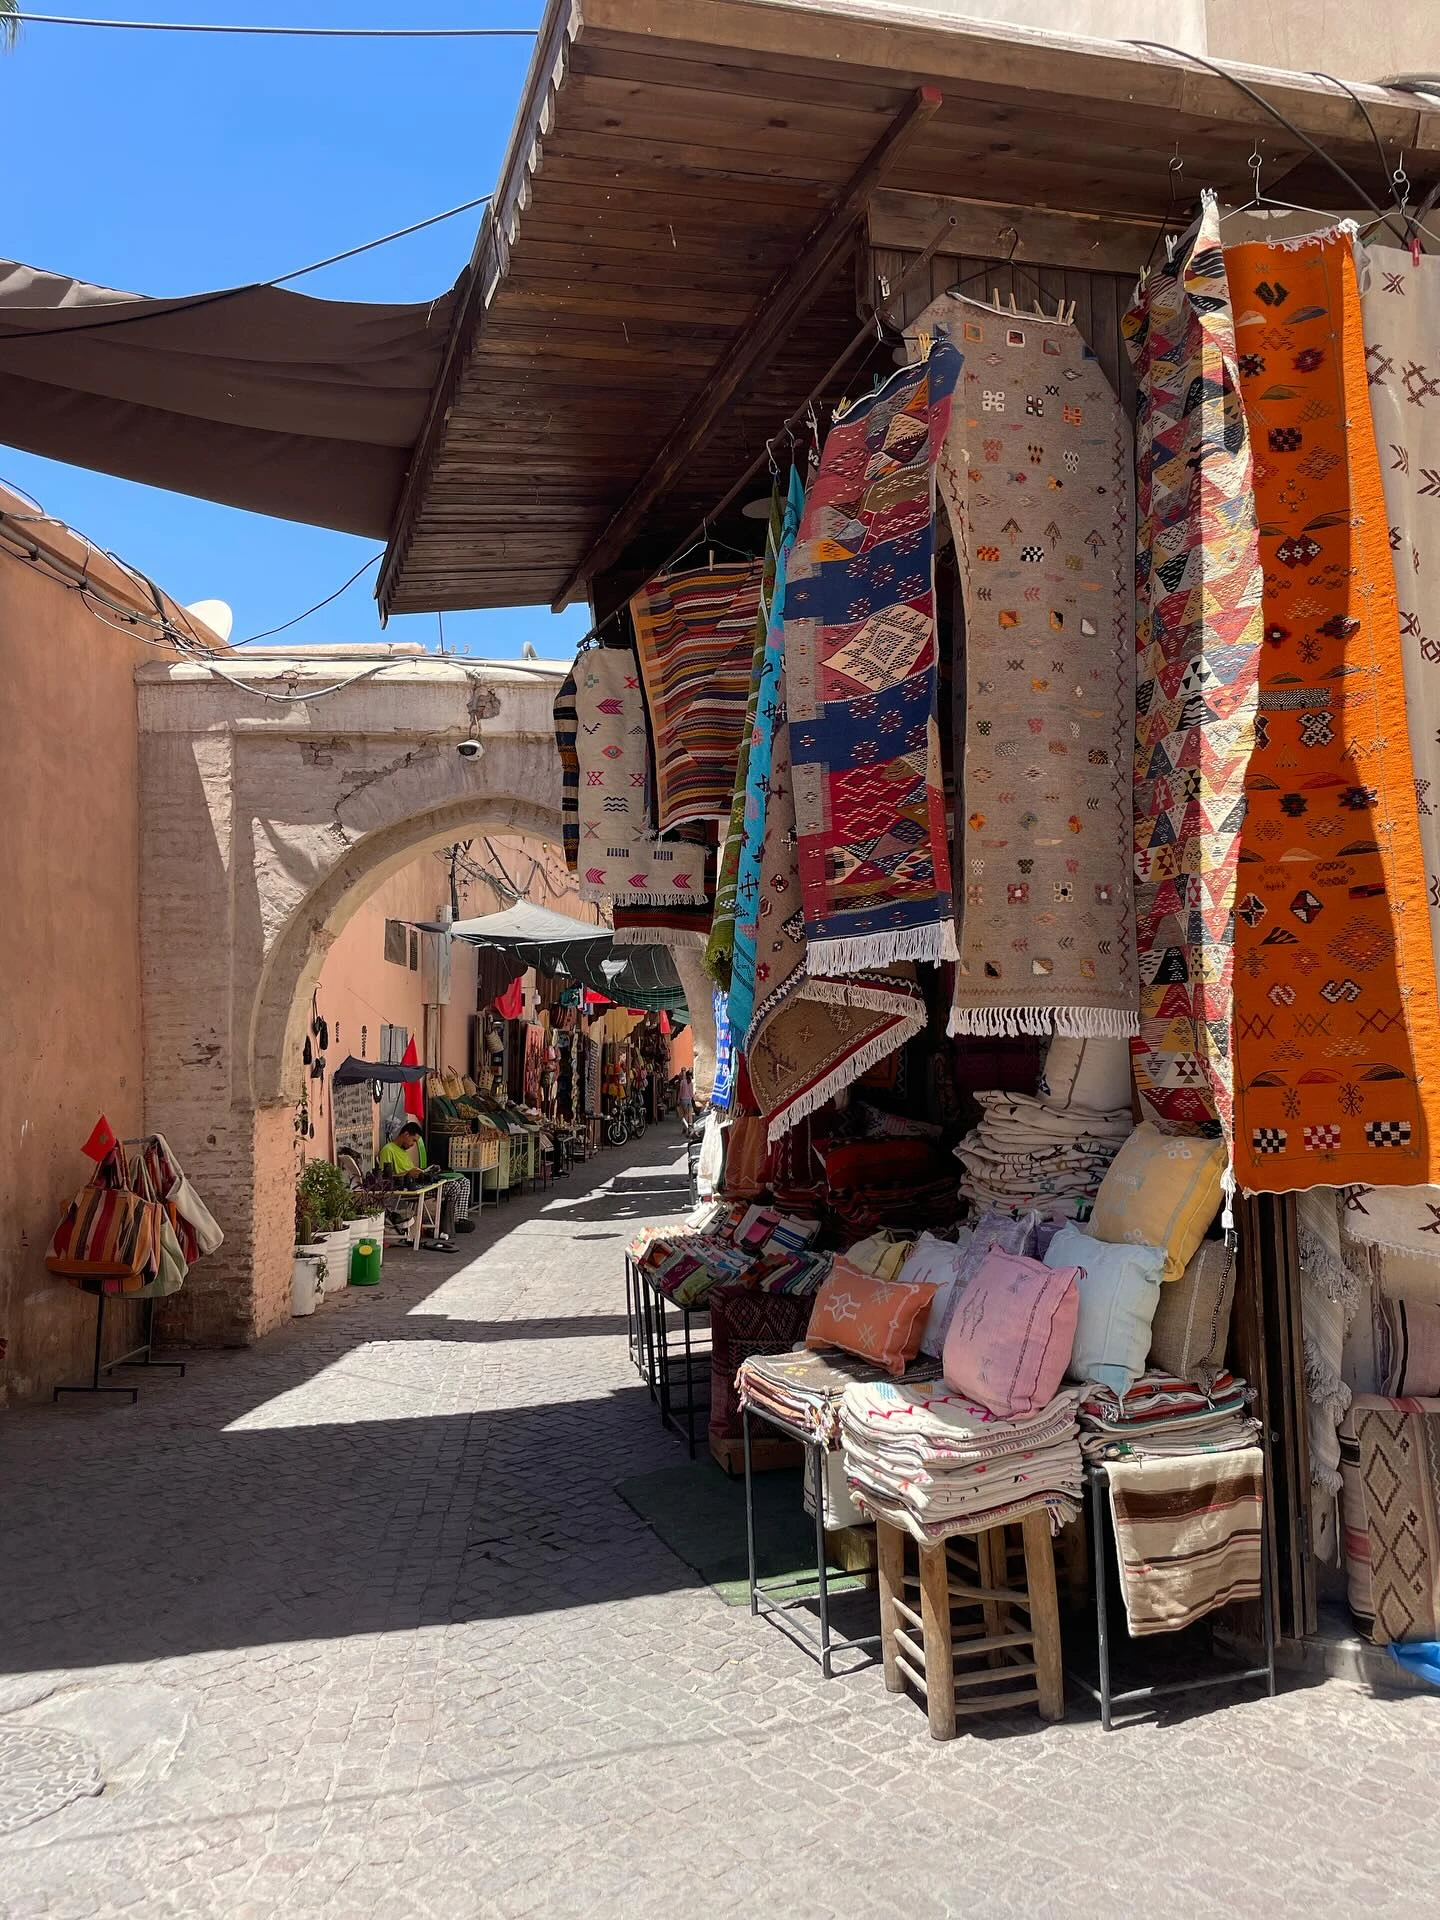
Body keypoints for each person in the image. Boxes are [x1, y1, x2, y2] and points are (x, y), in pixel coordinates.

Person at [378, 1120, 471, 1244]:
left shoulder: (402, 1151)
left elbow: (410, 1170)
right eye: (413, 1140)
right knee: (454, 1186)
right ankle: (447, 1224)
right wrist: (407, 1173)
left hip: (418, 1183)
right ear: (406, 1134)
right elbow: (386, 1177)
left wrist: (424, 1172)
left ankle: (460, 1219)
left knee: (464, 1182)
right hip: (407, 1188)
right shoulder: (388, 1150)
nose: (413, 1144)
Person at [675, 1068, 695, 1136]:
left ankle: (685, 1128)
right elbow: (692, 1094)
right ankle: (689, 1129)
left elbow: (680, 1092)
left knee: (684, 1115)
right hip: (689, 1100)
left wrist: (678, 1100)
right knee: (689, 1115)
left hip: (683, 1100)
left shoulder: (683, 1082)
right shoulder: (691, 1083)